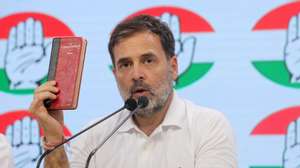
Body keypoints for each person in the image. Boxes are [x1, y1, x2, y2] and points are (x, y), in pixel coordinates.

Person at [29, 15, 237, 168]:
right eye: (125, 65)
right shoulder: (95, 135)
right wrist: (54, 136)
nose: (136, 74)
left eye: (148, 60)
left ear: (173, 67)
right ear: (115, 74)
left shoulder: (208, 126)